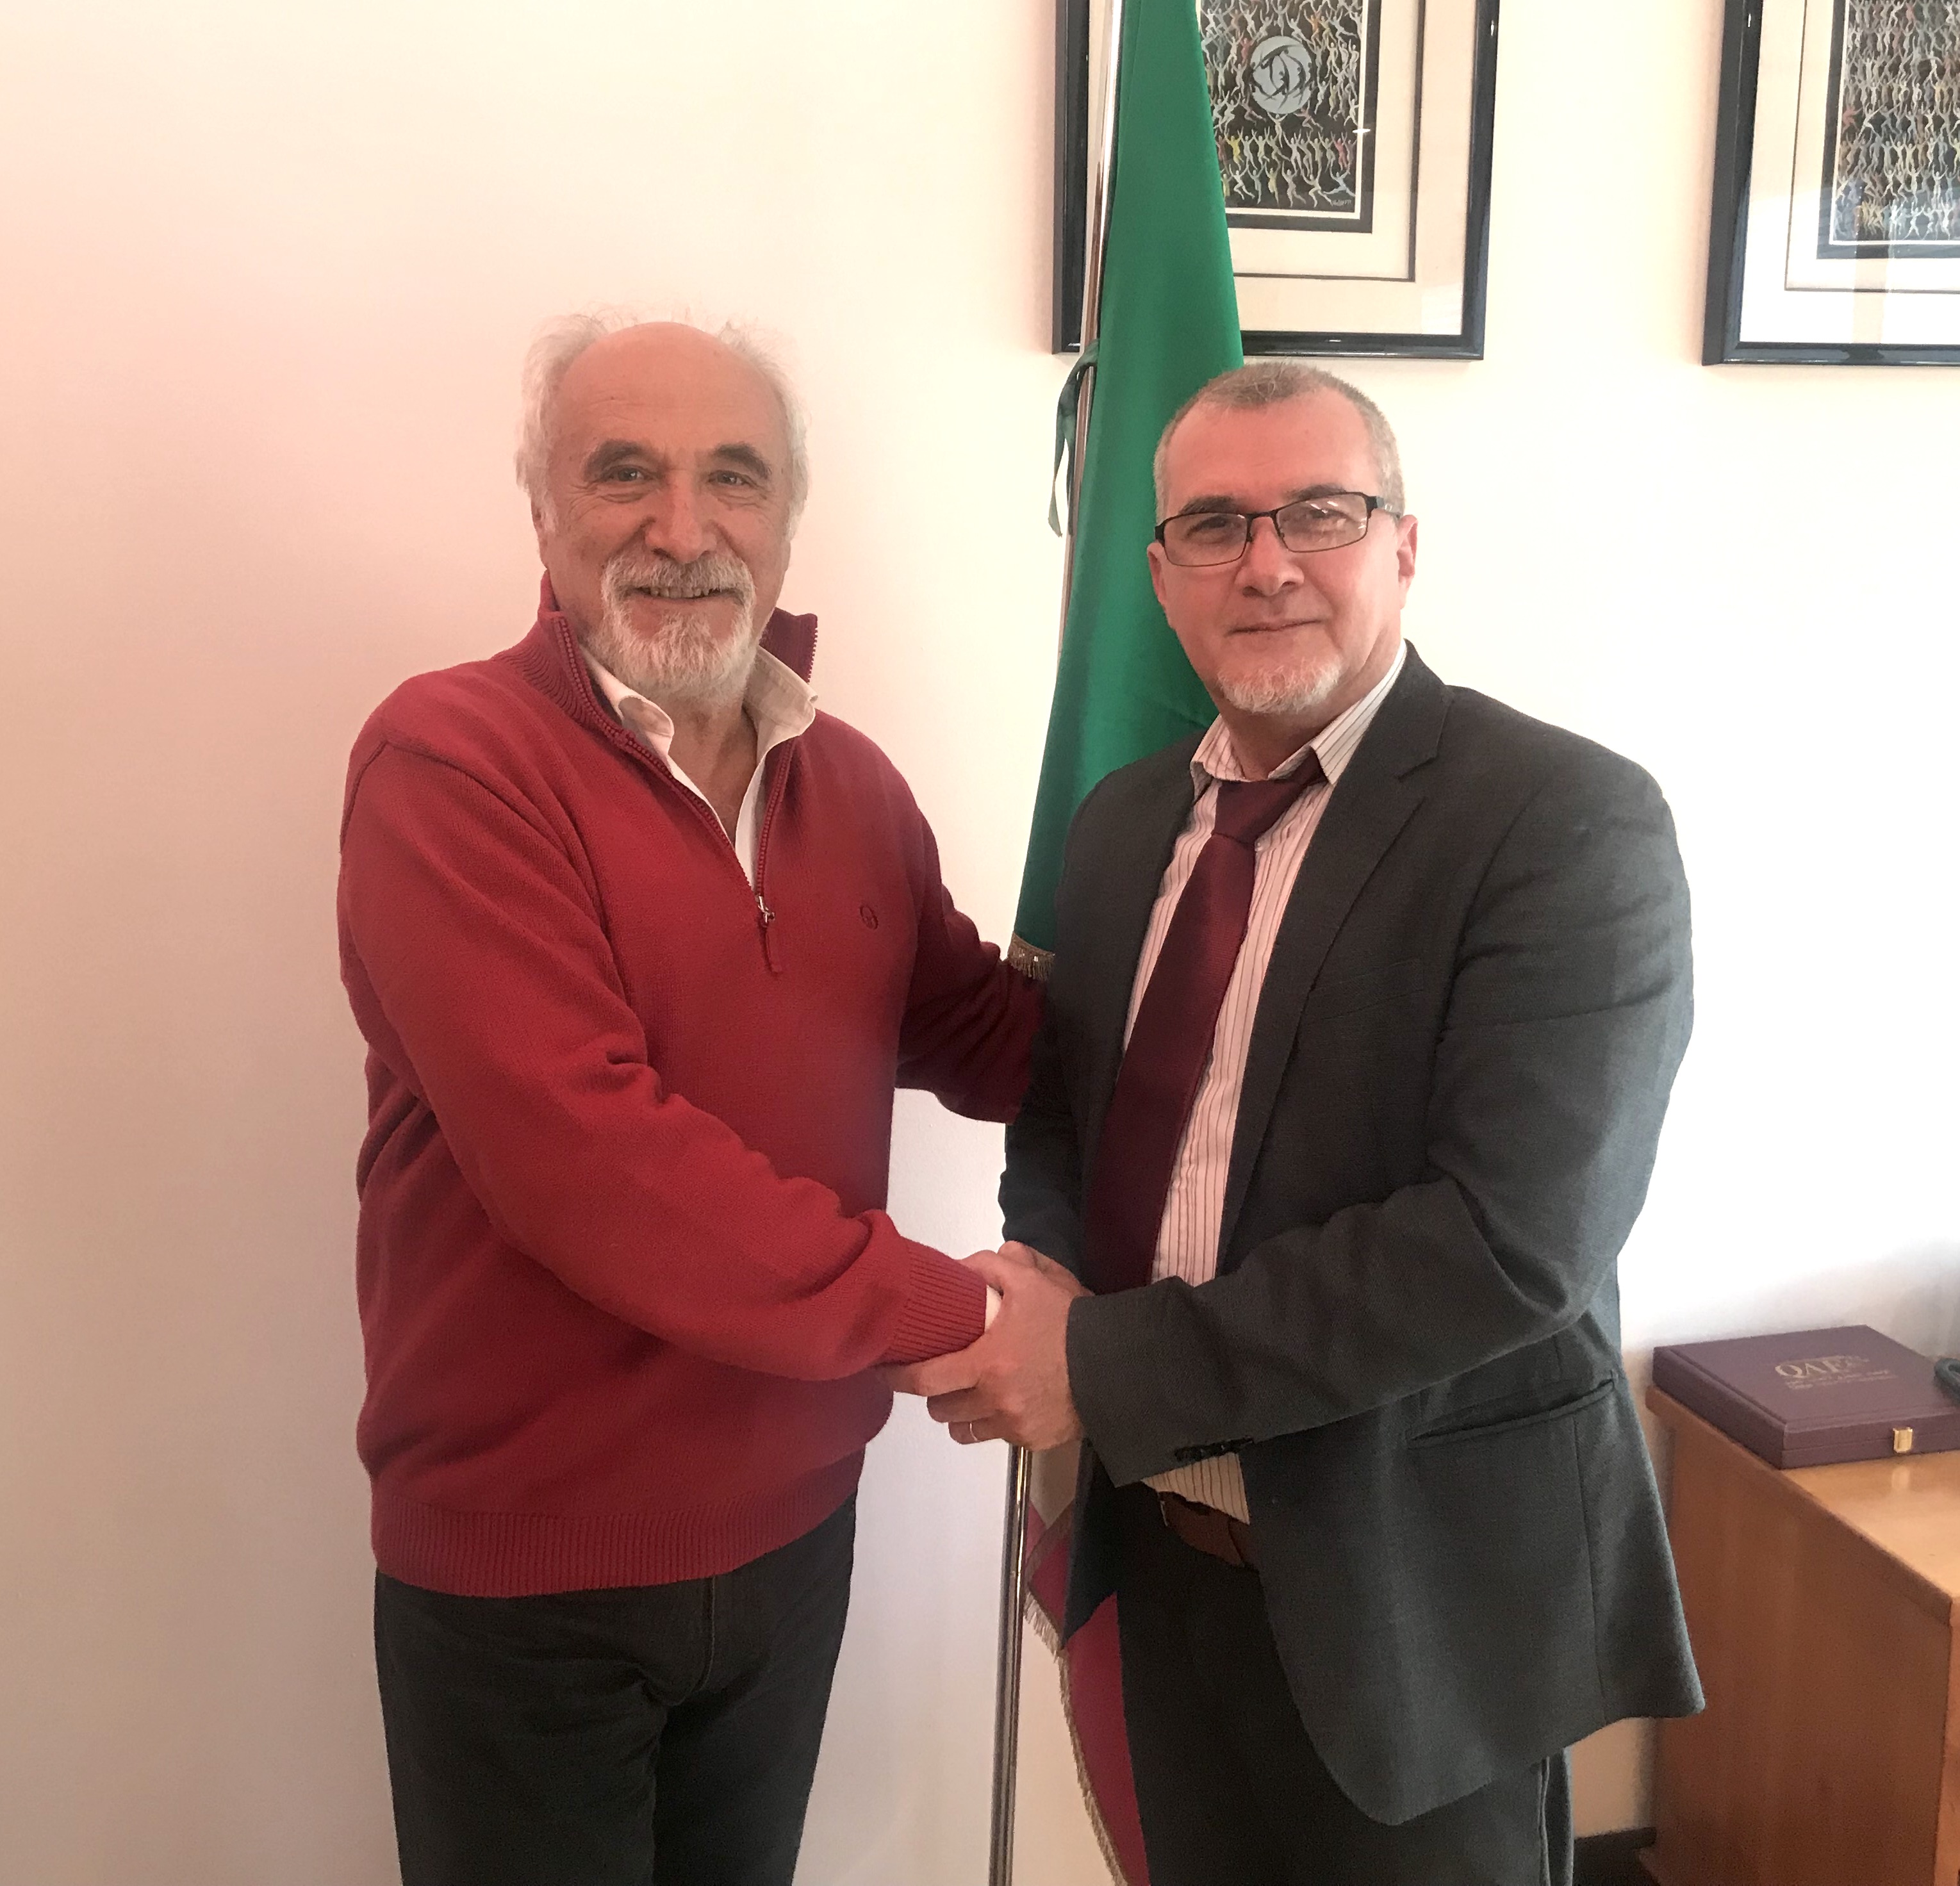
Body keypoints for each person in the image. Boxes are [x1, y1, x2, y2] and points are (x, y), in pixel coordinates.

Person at [893, 362, 1702, 1885]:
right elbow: (1067, 1113)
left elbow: (1508, 1243)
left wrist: (1098, 1361)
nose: (1265, 562)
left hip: (1414, 1604)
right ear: (1160, 576)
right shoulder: (1121, 822)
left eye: (1318, 513)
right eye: (1215, 524)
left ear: (1404, 543)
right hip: (1163, 1566)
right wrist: (1043, 1281)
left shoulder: (1562, 822)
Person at [337, 313, 1041, 1886]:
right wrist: (963, 1316)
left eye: (734, 476)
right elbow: (595, 1165)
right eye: (624, 474)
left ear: (787, 518)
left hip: (796, 1536)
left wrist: (1237, 949)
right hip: (533, 1582)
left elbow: (992, 1033)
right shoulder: (452, 761)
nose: (682, 526)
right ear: (544, 512)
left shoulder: (853, 784)